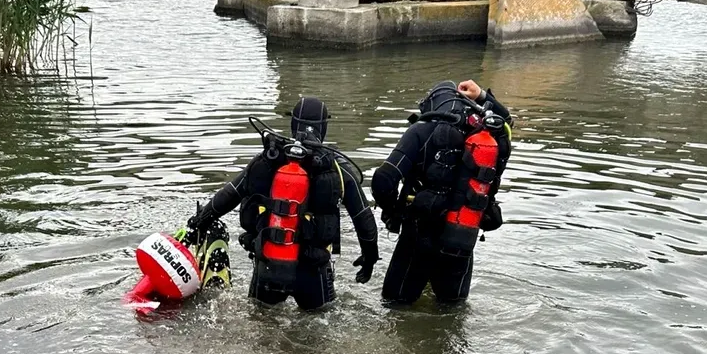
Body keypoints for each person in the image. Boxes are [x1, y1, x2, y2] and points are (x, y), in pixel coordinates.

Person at [186, 97, 379, 310]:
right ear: (324, 127)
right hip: (313, 271)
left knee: (262, 323)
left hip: (270, 265)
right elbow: (364, 219)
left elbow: (229, 194)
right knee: (318, 328)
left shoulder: (269, 160)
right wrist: (369, 259)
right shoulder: (336, 170)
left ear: (293, 124)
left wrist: (199, 222)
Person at [371, 79, 513, 305]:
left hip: (419, 233)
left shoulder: (421, 130)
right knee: (452, 312)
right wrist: (483, 98)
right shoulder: (487, 133)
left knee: (396, 307)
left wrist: (395, 212)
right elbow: (507, 122)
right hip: (462, 234)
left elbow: (383, 180)